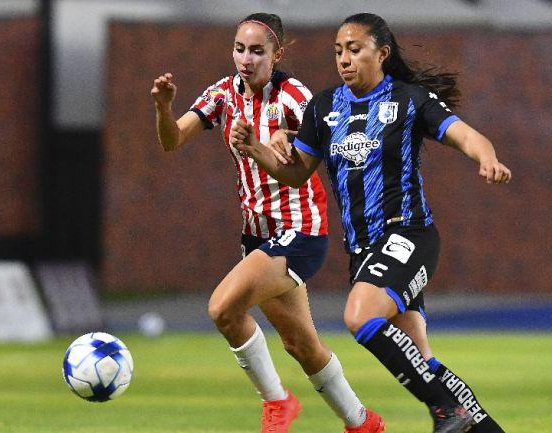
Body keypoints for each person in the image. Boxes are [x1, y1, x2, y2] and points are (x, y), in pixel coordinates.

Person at [231, 12, 511, 433]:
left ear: (381, 53)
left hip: (408, 235)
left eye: (355, 50)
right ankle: (480, 426)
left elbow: (466, 135)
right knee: (422, 361)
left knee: (360, 317)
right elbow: (296, 173)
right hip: (363, 251)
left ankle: (447, 412)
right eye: (338, 51)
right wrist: (255, 149)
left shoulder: (408, 99)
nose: (344, 59)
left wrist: (486, 158)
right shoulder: (324, 107)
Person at [150, 13, 384, 433]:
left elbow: (338, 144)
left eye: (257, 50)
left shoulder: (294, 96)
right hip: (257, 237)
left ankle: (278, 402)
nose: (246, 58)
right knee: (301, 344)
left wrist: (292, 139)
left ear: (277, 54)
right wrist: (163, 107)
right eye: (240, 48)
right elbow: (172, 141)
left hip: (300, 231)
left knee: (223, 308)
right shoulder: (222, 94)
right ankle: (363, 424)